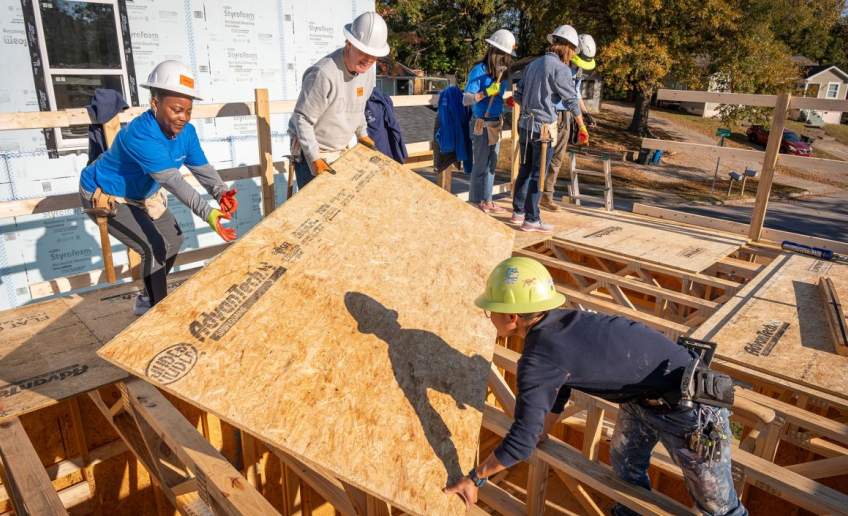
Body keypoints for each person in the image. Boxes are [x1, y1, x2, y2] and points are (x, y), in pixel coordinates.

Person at [445, 257, 747, 516]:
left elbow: (522, 440)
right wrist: (543, 429)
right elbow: (560, 387)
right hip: (645, 396)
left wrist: (475, 479)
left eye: (491, 311)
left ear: (512, 317)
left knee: (718, 507)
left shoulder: (538, 359)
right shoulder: (560, 323)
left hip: (691, 409)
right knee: (626, 465)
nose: (489, 317)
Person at [79, 60, 237, 316]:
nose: (183, 117)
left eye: (188, 110)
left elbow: (202, 168)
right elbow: (173, 181)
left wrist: (221, 192)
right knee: (153, 247)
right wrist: (208, 213)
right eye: (176, 110)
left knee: (173, 241)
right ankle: (158, 314)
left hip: (144, 193)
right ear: (155, 104)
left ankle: (147, 298)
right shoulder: (140, 134)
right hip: (107, 194)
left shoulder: (187, 132)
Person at [288, 11, 388, 189]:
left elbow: (358, 107)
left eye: (373, 55)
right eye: (364, 52)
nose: (368, 60)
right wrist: (314, 159)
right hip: (312, 153)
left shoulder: (367, 73)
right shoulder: (323, 74)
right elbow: (302, 119)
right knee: (317, 209)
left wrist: (362, 133)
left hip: (340, 151)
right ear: (349, 43)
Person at [511, 25, 589, 232]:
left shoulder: (533, 64)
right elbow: (571, 100)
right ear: (566, 47)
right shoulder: (560, 69)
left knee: (525, 170)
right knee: (538, 175)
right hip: (544, 130)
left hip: (525, 126)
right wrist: (582, 126)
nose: (573, 55)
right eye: (572, 51)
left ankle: (518, 212)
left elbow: (518, 94)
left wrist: (528, 101)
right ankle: (532, 219)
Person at [542, 33, 597, 212]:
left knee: (557, 158)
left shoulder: (578, 70)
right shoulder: (557, 63)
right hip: (550, 113)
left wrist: (585, 114)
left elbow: (575, 94)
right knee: (543, 156)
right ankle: (533, 194)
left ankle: (547, 196)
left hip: (566, 114)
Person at [463, 29, 515, 213]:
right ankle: (475, 203)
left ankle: (487, 200)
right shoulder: (479, 71)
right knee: (480, 165)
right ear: (496, 53)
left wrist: (507, 101)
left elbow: (498, 97)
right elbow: (466, 99)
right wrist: (485, 92)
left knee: (492, 164)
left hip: (495, 123)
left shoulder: (500, 75)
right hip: (481, 125)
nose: (507, 60)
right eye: (505, 56)